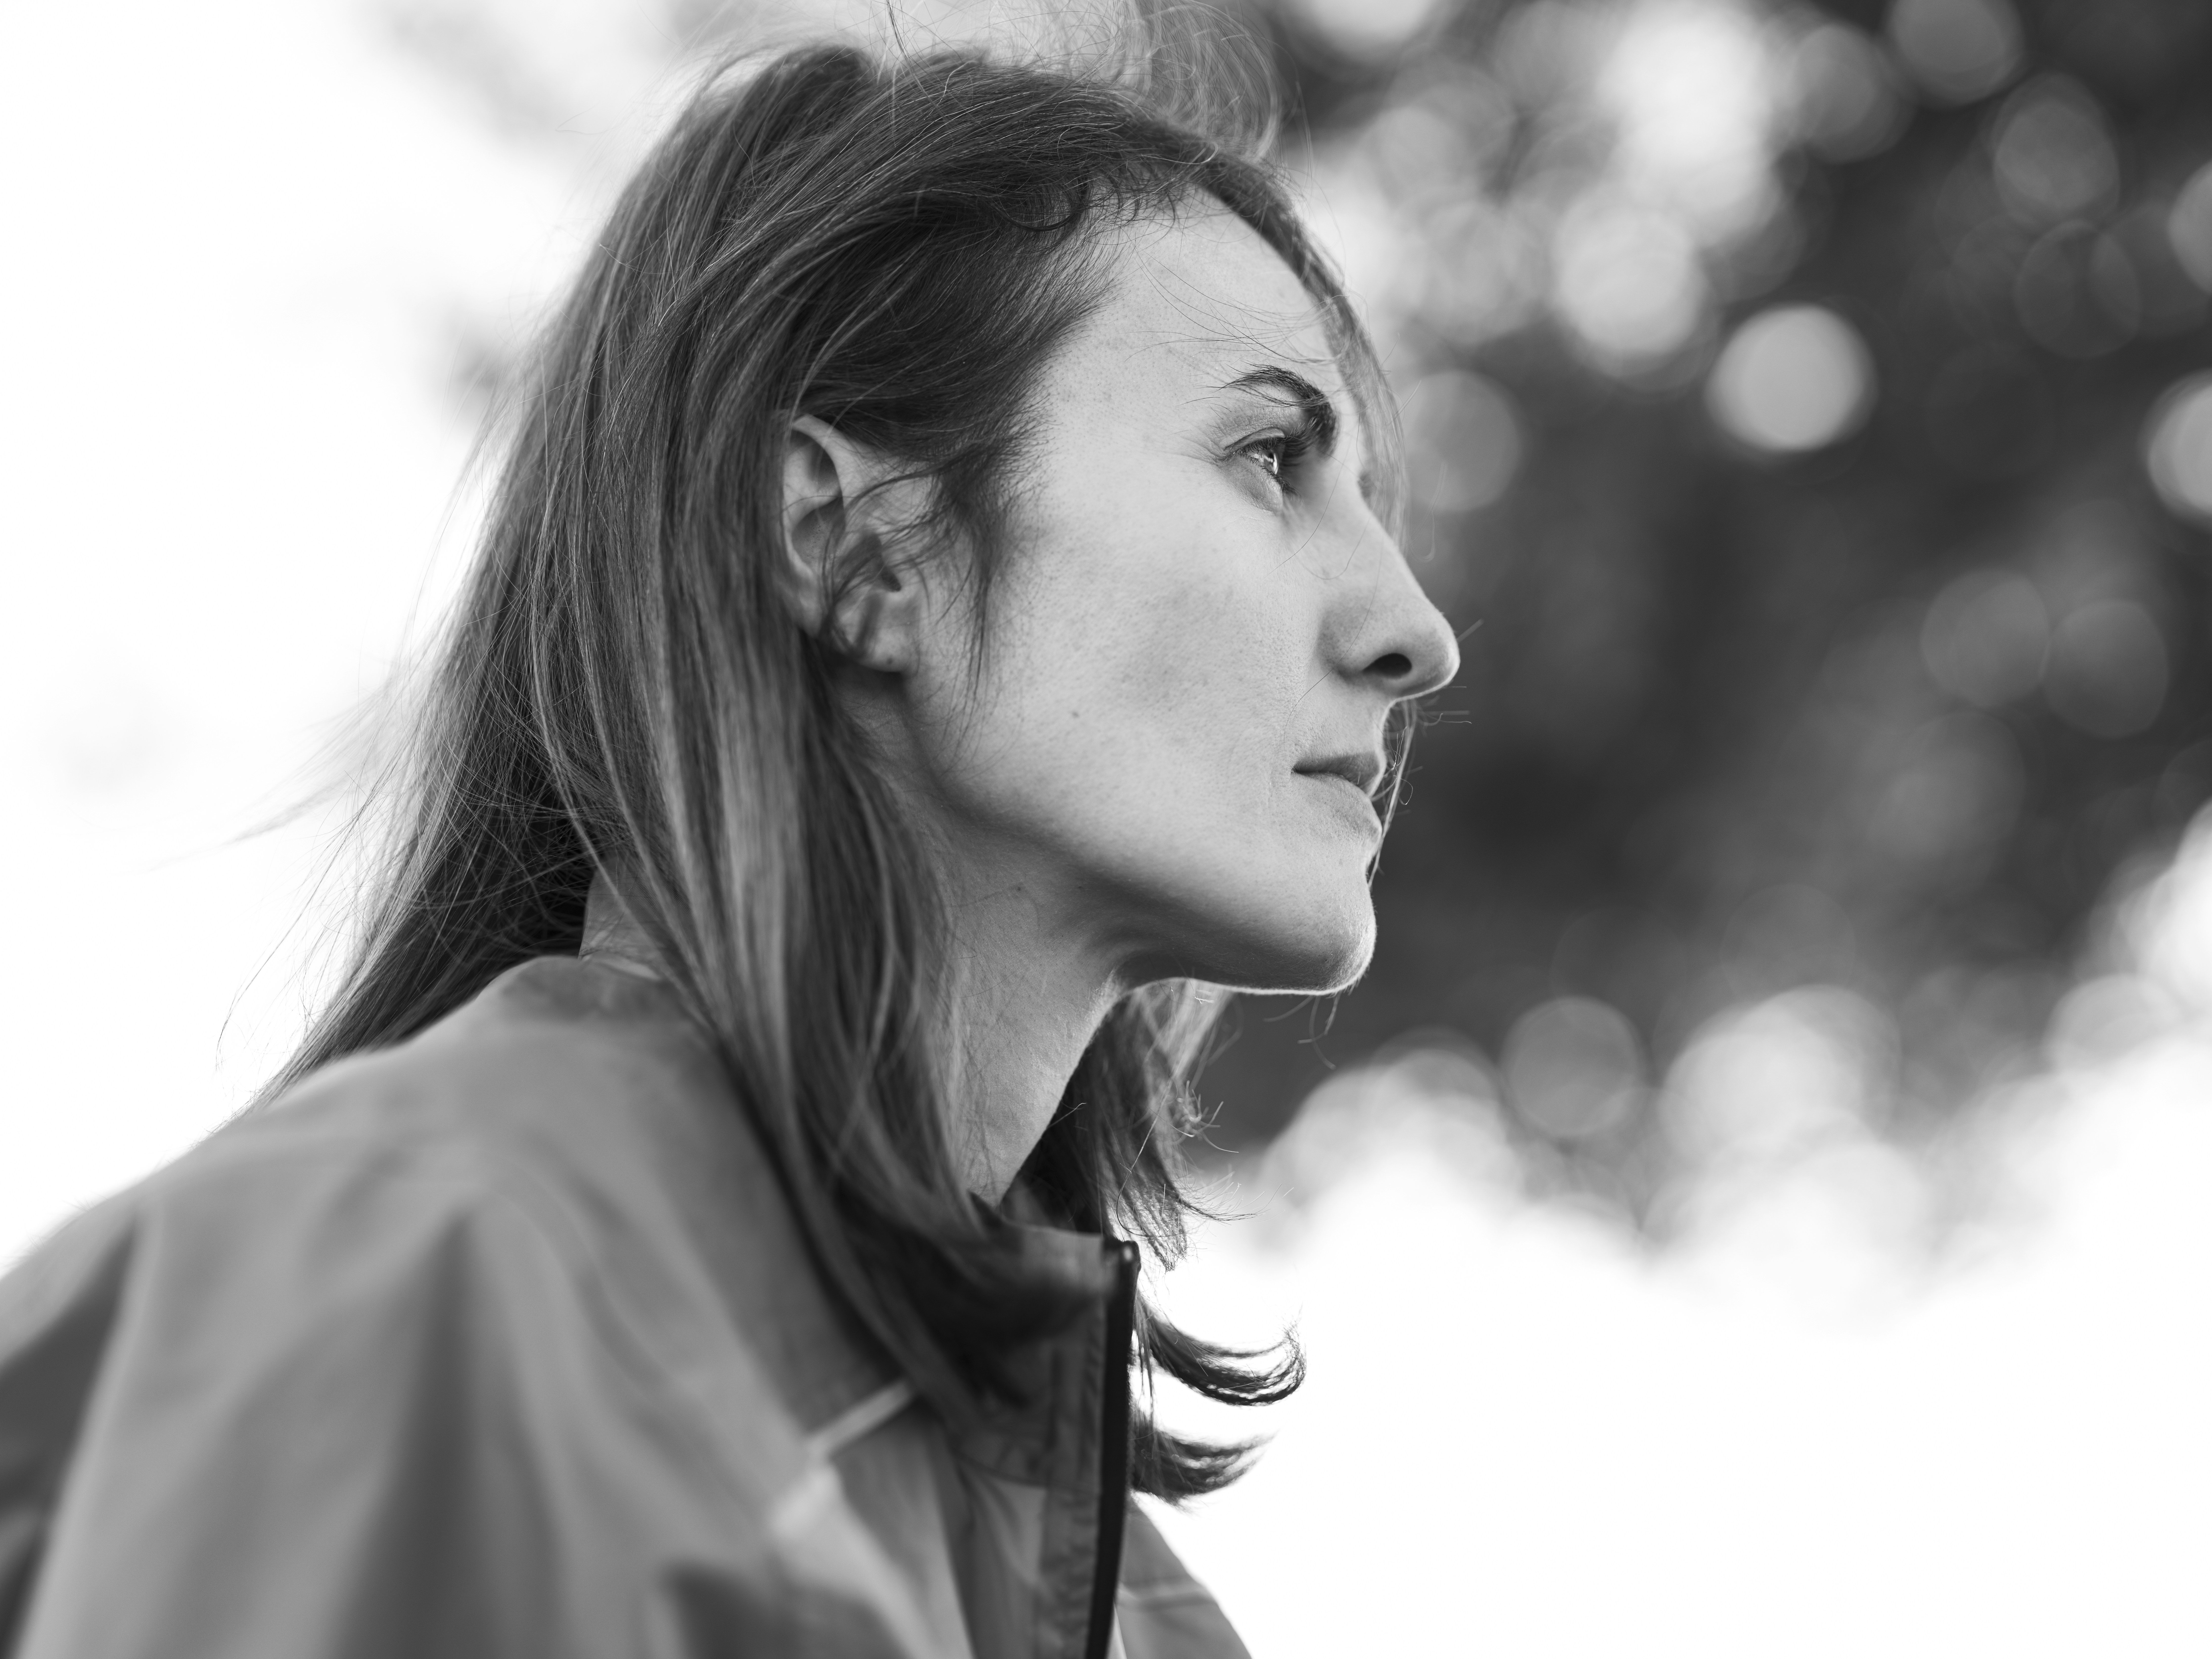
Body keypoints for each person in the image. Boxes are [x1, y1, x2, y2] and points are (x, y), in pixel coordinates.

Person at [0, 33, 1455, 1659]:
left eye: (1375, 499)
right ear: (852, 540)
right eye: (1272, 458)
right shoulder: (420, 1289)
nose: (1417, 628)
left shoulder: (1152, 1618)